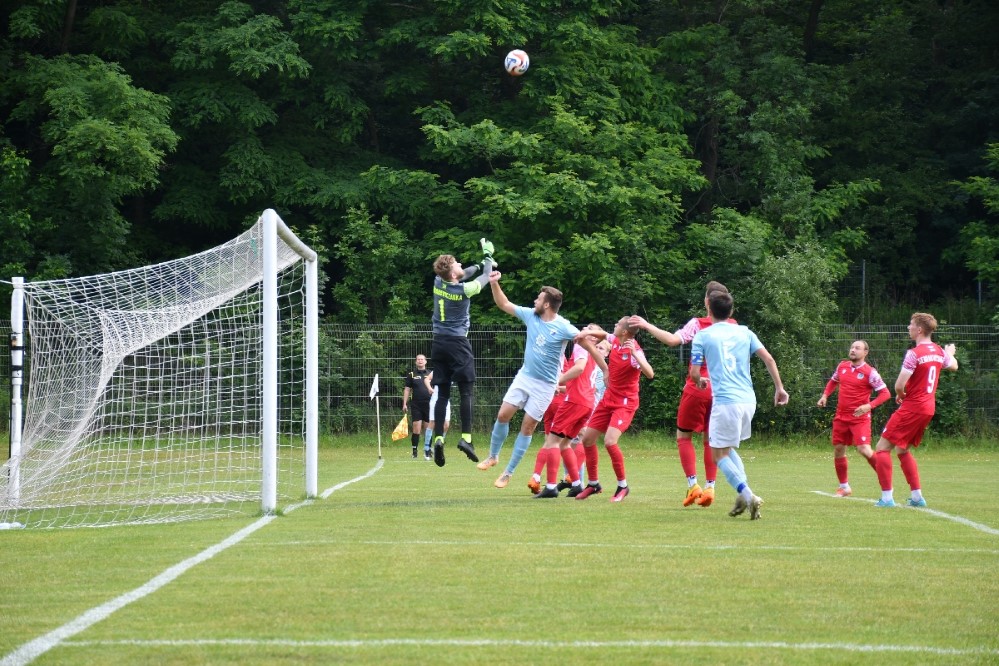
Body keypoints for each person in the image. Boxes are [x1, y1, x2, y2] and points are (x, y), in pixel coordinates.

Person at [477, 272, 599, 490]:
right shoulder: (530, 315)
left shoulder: (563, 326)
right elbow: (503, 304)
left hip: (545, 386)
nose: (535, 300)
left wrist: (603, 360)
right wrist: (494, 283)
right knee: (503, 414)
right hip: (525, 376)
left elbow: (584, 339)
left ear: (547, 304)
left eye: (539, 298)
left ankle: (508, 473)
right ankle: (493, 456)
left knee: (527, 427)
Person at [629, 280, 732, 508]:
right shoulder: (735, 326)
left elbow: (672, 340)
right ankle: (711, 487)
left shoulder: (698, 324)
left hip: (698, 388)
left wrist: (646, 325)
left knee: (683, 437)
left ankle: (693, 485)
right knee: (710, 440)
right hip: (724, 392)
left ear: (707, 301)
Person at [690, 291, 789, 520]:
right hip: (748, 400)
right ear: (731, 311)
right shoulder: (745, 332)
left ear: (708, 308)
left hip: (725, 401)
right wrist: (779, 388)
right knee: (728, 448)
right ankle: (744, 496)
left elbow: (695, 372)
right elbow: (769, 359)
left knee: (718, 455)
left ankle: (748, 494)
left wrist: (700, 380)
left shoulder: (702, 336)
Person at [872, 313, 958, 508]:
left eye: (910, 325)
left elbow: (898, 385)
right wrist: (949, 353)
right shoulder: (937, 350)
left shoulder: (914, 353)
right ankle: (917, 497)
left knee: (882, 448)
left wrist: (901, 394)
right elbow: (954, 366)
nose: (908, 328)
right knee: (902, 449)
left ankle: (886, 498)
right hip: (928, 408)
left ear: (919, 330)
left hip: (913, 406)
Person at [429, 239, 496, 467]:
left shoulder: (439, 281)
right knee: (466, 392)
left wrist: (477, 265)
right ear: (454, 274)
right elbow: (486, 277)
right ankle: (466, 439)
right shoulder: (465, 289)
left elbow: (465, 272)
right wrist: (487, 257)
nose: (460, 263)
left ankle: (438, 437)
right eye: (457, 263)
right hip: (458, 343)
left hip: (438, 343)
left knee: (443, 393)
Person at [574, 316, 655, 502]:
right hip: (608, 399)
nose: (615, 326)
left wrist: (635, 354)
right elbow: (603, 334)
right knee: (587, 440)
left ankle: (623, 486)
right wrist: (587, 332)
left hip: (625, 403)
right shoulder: (615, 340)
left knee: (610, 441)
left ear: (625, 332)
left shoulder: (633, 350)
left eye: (618, 324)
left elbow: (650, 373)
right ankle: (593, 484)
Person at [527, 325, 608, 498]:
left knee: (552, 441)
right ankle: (577, 484)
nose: (584, 328)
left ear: (593, 337)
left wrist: (558, 381)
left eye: (589, 328)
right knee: (565, 444)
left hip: (574, 401)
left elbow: (579, 368)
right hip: (586, 403)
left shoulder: (582, 345)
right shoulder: (594, 352)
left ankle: (550, 487)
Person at [816, 340, 891, 496]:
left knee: (864, 449)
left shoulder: (870, 373)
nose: (853, 350)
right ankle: (844, 487)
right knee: (838, 449)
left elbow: (886, 394)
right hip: (841, 416)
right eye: (852, 347)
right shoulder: (842, 366)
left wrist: (869, 406)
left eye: (857, 348)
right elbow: (833, 381)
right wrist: (824, 396)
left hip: (859, 418)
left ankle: (886, 478)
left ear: (865, 353)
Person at [402, 354, 433, 459]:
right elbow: (407, 389)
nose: (420, 361)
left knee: (428, 428)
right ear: (416, 362)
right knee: (416, 428)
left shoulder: (430, 374)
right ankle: (414, 452)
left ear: (425, 361)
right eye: (418, 359)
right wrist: (404, 403)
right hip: (416, 404)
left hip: (429, 404)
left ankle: (427, 451)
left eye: (422, 359)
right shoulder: (411, 374)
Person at [421, 375, 451, 460]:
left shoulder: (452, 369)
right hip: (436, 400)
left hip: (446, 400)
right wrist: (430, 388)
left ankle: (438, 447)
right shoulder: (438, 370)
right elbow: (426, 379)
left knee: (446, 425)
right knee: (433, 422)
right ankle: (427, 449)